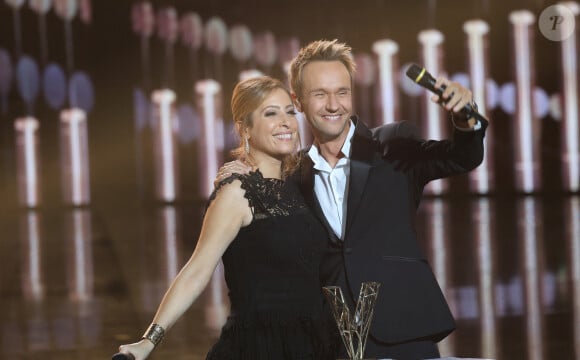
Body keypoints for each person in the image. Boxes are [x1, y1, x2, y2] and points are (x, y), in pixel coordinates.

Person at [216, 39, 489, 359]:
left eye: (342, 92)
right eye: (320, 94)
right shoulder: (292, 175)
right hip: (332, 340)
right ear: (298, 101)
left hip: (404, 329)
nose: (334, 105)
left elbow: (462, 156)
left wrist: (464, 119)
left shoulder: (393, 144)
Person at [116, 76, 337, 360]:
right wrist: (149, 341)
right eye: (271, 113)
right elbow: (197, 270)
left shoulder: (301, 182)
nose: (286, 122)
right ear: (245, 128)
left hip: (315, 346)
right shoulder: (236, 192)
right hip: (260, 347)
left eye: (290, 112)